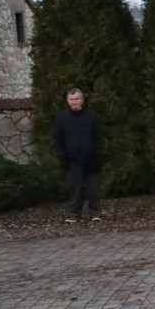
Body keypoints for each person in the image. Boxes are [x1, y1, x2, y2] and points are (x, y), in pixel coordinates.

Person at [52, 88, 104, 223]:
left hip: (90, 159)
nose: (74, 102)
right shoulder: (61, 117)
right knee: (74, 188)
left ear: (82, 100)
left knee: (93, 188)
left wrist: (98, 156)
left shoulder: (91, 116)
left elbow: (99, 138)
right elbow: (57, 139)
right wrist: (62, 157)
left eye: (76, 99)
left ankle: (95, 213)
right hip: (72, 160)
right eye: (72, 99)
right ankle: (75, 214)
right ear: (67, 101)